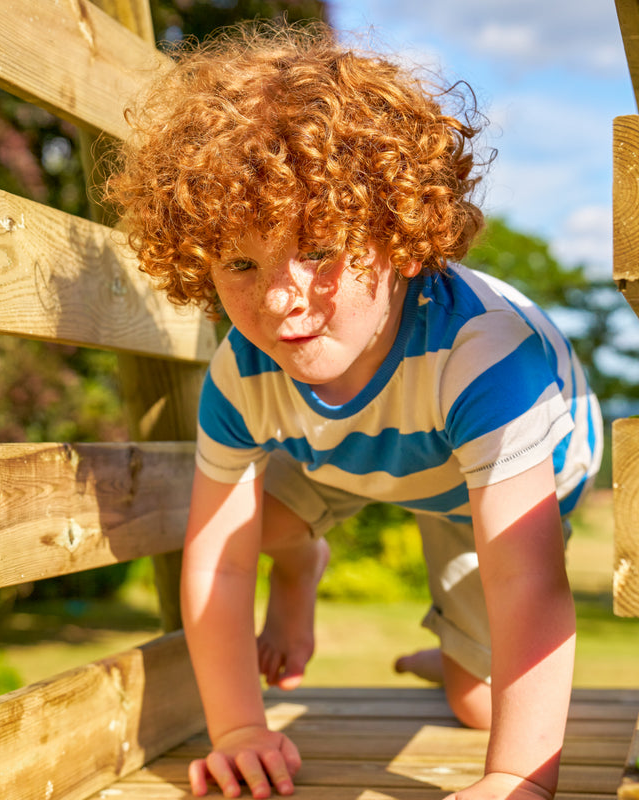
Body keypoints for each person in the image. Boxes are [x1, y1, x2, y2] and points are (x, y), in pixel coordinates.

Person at [105, 20, 603, 800]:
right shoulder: (243, 371)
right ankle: (304, 558)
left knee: (482, 703)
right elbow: (220, 561)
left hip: (499, 477)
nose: (280, 298)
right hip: (355, 452)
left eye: (319, 249)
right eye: (241, 261)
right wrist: (238, 728)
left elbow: (527, 582)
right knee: (247, 527)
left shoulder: (485, 358)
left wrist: (517, 779)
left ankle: (454, 658)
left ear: (401, 240)